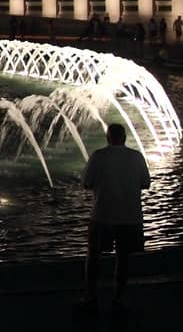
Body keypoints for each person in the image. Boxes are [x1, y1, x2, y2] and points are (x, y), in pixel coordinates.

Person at [77, 123, 150, 316]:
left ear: (107, 138)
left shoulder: (98, 156)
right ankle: (119, 299)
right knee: (123, 259)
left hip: (103, 215)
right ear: (124, 138)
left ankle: (91, 298)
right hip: (130, 217)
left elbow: (86, 183)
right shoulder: (136, 156)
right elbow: (145, 183)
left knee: (94, 256)